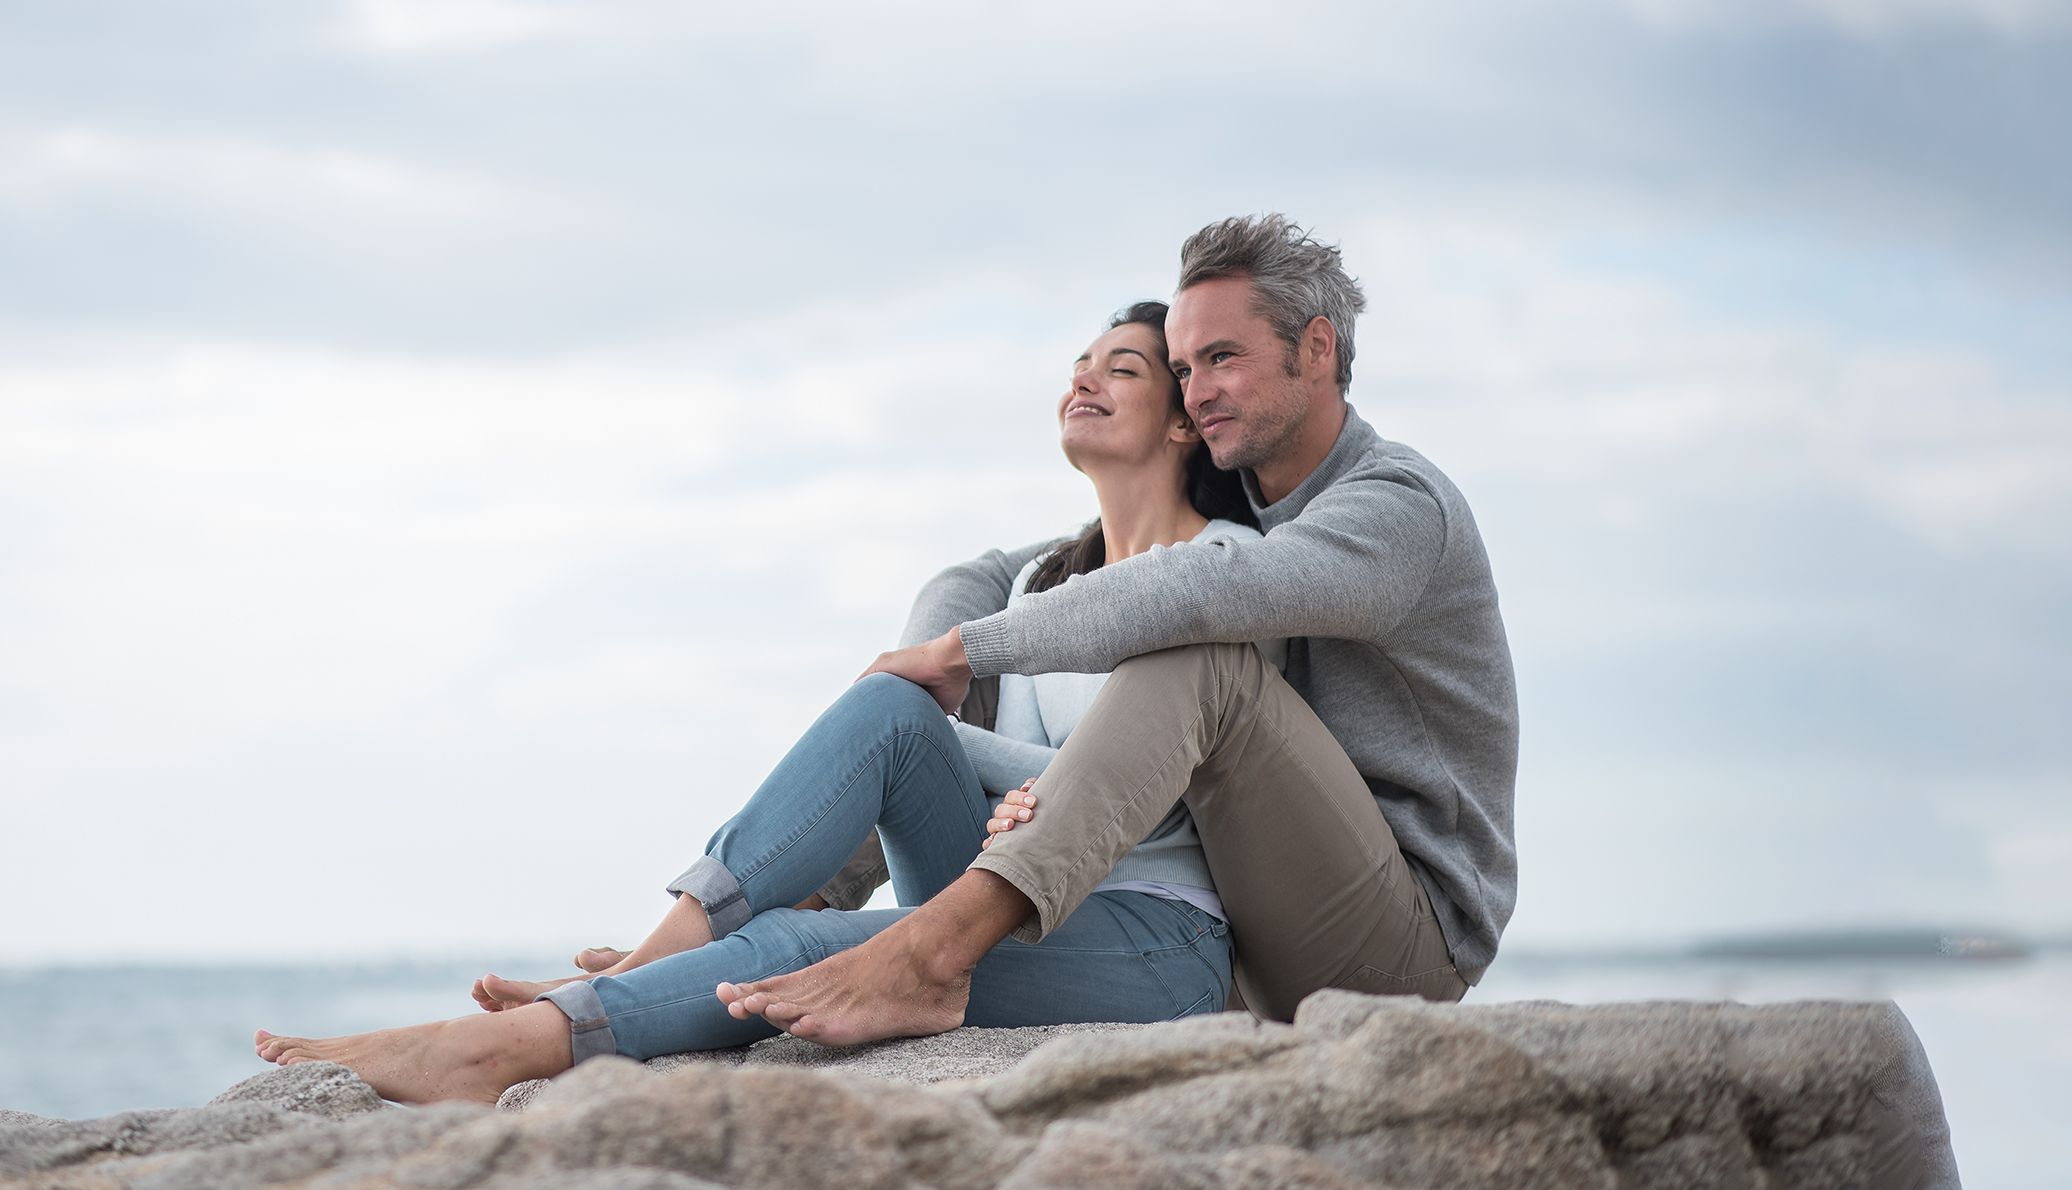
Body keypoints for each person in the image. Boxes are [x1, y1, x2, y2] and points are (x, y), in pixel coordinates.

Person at [254, 297, 1274, 1103]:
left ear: (1186, 423)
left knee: (793, 939)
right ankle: (645, 961)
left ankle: (492, 1053)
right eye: (1078, 366)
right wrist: (1020, 793)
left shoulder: (1220, 568)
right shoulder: (1032, 595)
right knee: (888, 708)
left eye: (1123, 368)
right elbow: (1015, 791)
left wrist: (1037, 793)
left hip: (1154, 936)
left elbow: (1174, 784)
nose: (1085, 379)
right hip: (997, 903)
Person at [719, 213, 1517, 1043]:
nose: (1199, 389)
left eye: (1223, 358)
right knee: (908, 707)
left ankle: (933, 949)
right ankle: (753, 911)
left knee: (1200, 661)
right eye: (1183, 367)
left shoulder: (1394, 509)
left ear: (1317, 349)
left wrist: (963, 651)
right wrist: (931, 658)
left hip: (1401, 943)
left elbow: (1190, 591)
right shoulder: (1248, 492)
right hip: (1254, 912)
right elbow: (1007, 570)